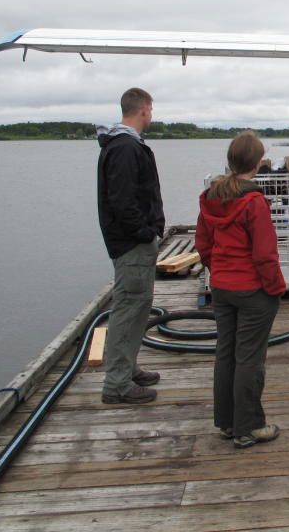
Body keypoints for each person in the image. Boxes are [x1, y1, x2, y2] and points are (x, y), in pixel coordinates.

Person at [196, 130, 287, 449]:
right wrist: (276, 288)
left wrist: (217, 270)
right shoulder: (254, 202)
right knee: (250, 358)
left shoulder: (210, 198)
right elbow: (264, 255)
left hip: (221, 286)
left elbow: (203, 244)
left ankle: (227, 423)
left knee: (226, 354)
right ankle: (248, 427)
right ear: (259, 163)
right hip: (252, 292)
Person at [97, 87, 165, 405]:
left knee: (138, 307)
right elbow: (122, 201)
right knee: (129, 307)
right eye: (151, 109)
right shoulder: (125, 148)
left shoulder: (124, 144)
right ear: (143, 110)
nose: (152, 114)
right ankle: (117, 385)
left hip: (133, 241)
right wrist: (145, 232)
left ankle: (128, 368)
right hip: (132, 243)